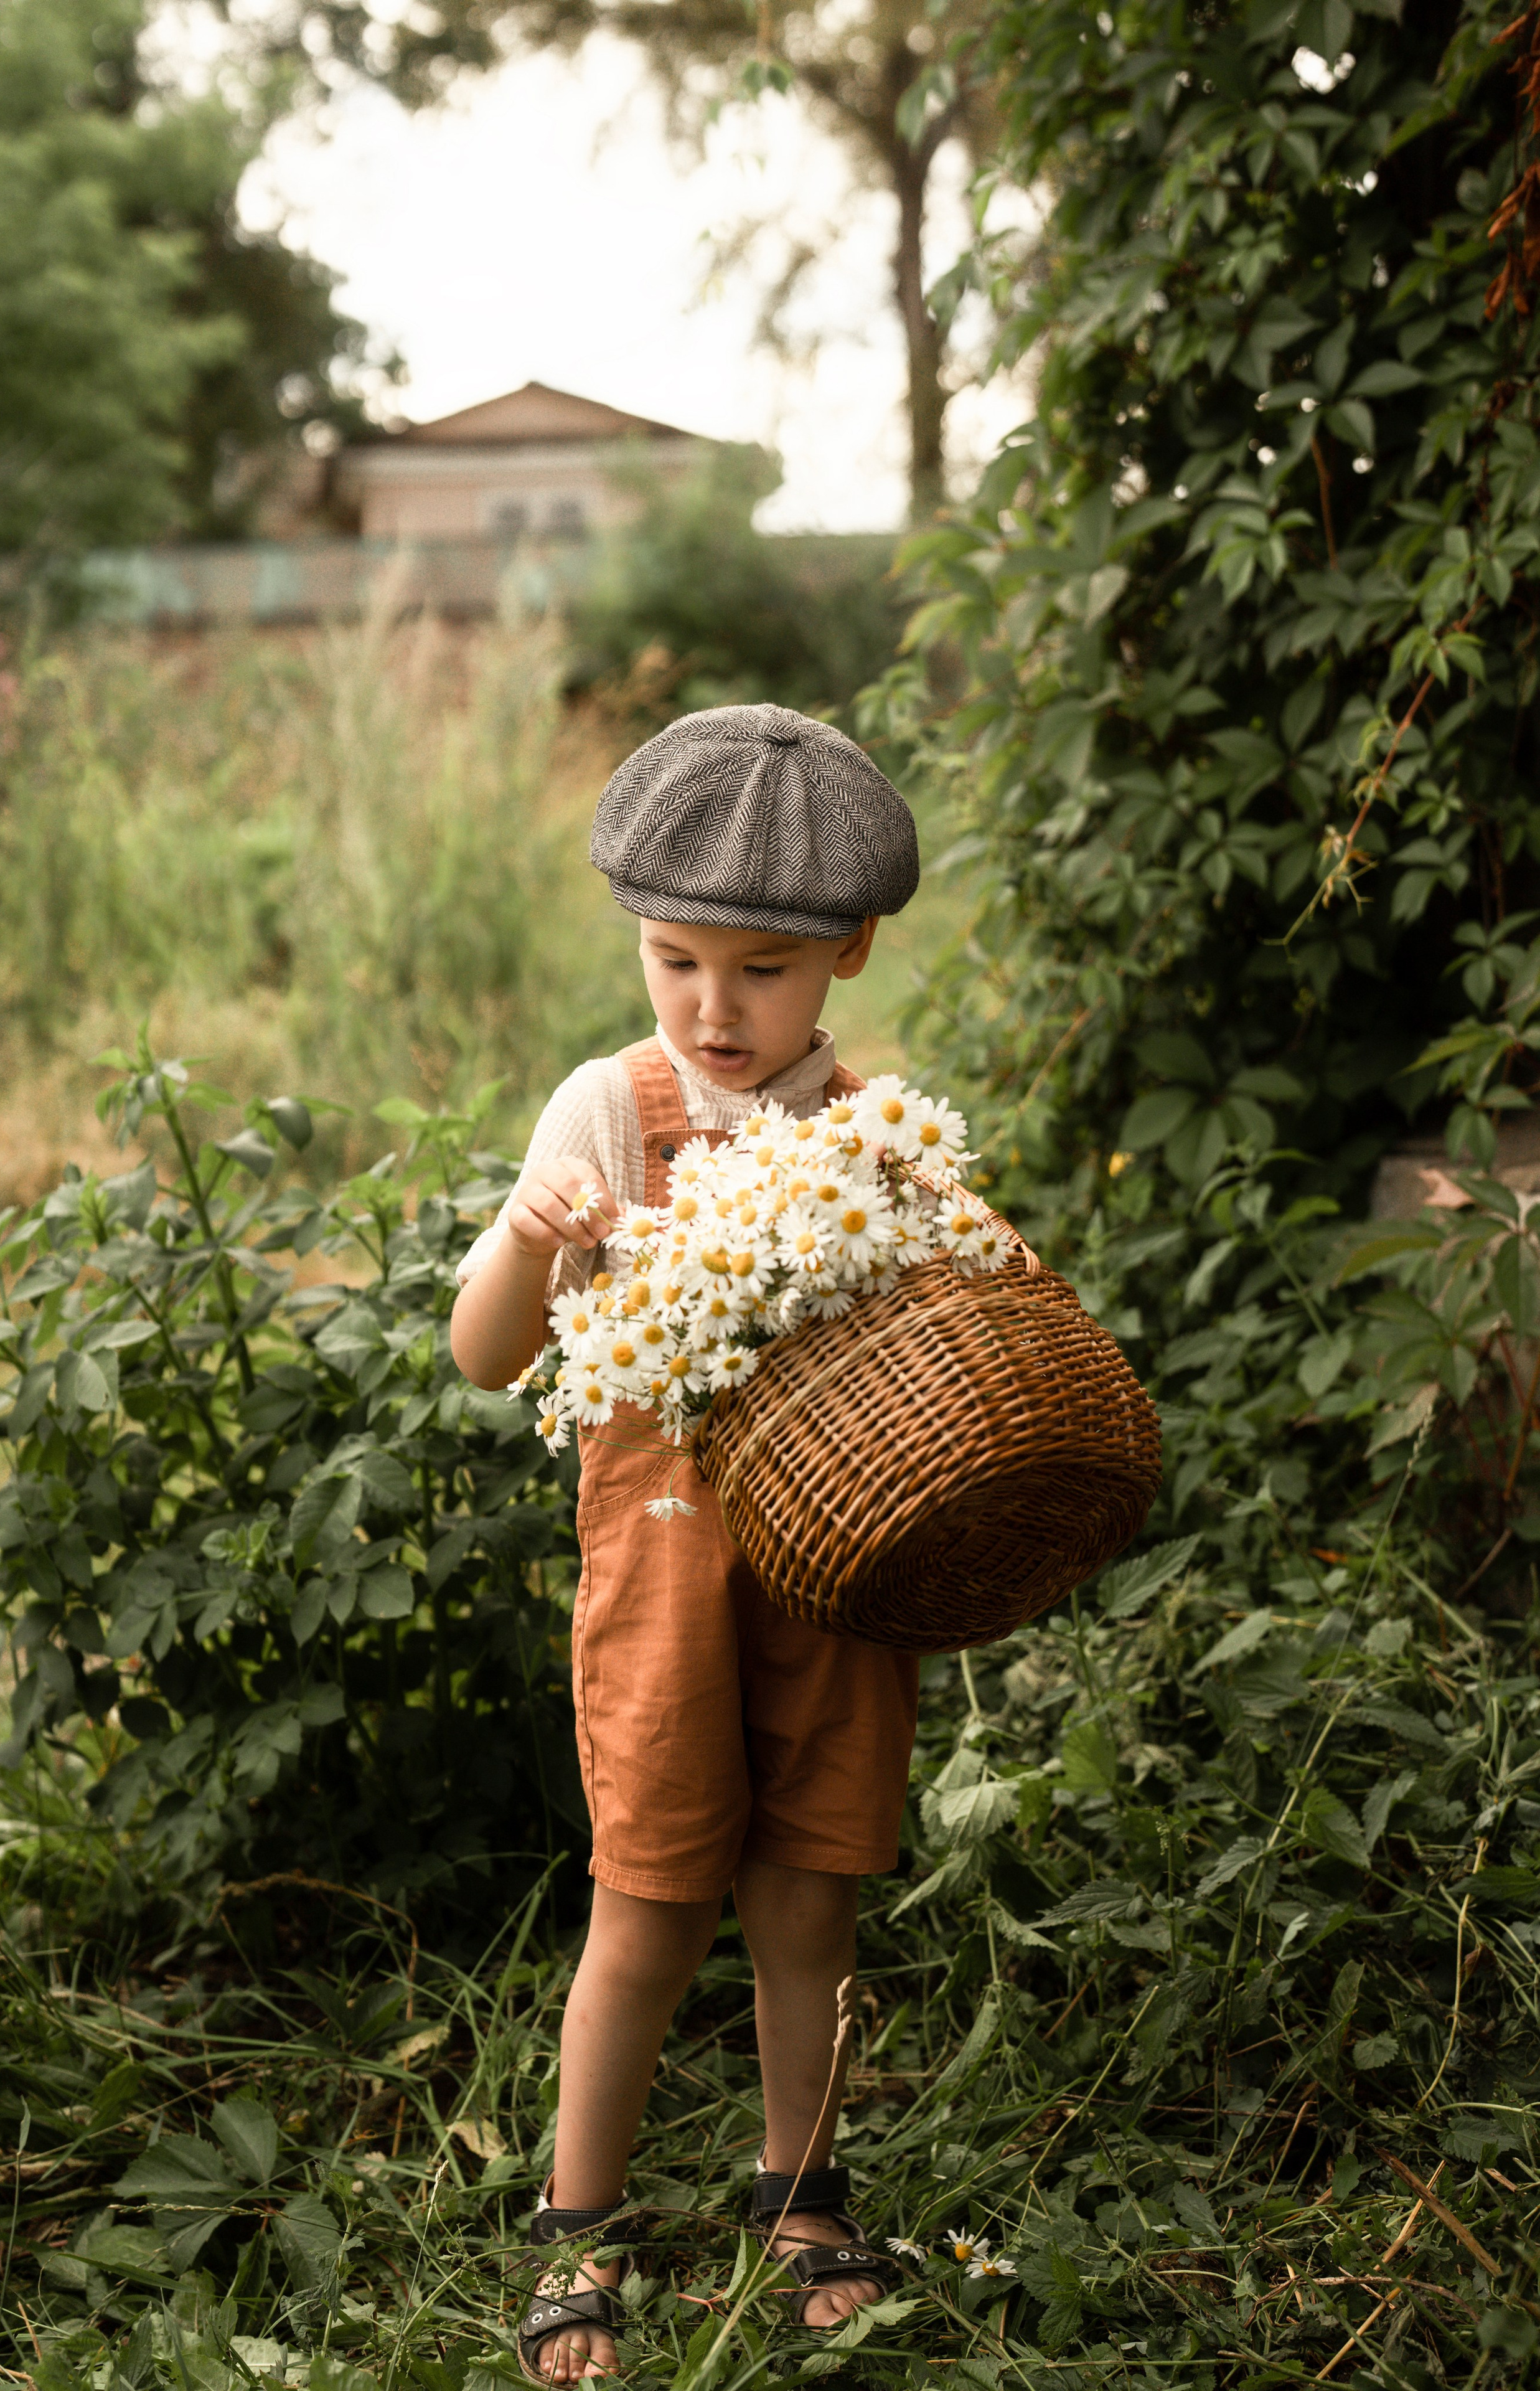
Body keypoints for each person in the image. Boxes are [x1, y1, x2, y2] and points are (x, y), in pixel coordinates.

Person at [449, 702, 923, 2385]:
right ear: (637, 945)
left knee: (809, 1903)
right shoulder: (611, 1111)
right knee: (646, 1907)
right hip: (660, 1578)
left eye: (765, 971)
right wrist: (526, 1239)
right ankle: (582, 2228)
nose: (716, 1011)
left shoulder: (877, 1142)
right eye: (677, 962)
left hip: (832, 1578)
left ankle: (805, 2195)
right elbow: (485, 1355)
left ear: (850, 949)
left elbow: (942, 1364)